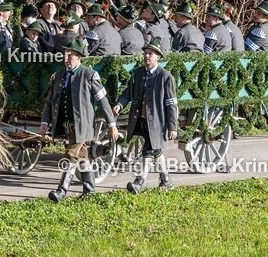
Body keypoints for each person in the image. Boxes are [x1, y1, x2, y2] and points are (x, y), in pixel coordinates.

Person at [39, 39, 119, 201]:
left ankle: (61, 191)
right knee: (83, 156)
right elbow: (49, 102)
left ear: (79, 58)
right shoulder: (58, 76)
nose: (67, 59)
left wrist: (112, 125)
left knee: (71, 155)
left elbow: (103, 101)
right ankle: (89, 191)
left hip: (83, 126)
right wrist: (44, 123)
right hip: (66, 125)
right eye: (65, 55)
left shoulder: (89, 75)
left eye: (71, 55)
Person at [113, 36, 179, 193]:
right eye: (146, 53)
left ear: (158, 57)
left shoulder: (166, 77)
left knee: (148, 150)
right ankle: (166, 179)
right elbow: (128, 92)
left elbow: (171, 103)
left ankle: (139, 181)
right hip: (140, 120)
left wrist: (172, 126)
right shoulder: (137, 73)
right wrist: (120, 104)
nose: (147, 56)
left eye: (151, 54)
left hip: (157, 122)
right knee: (156, 150)